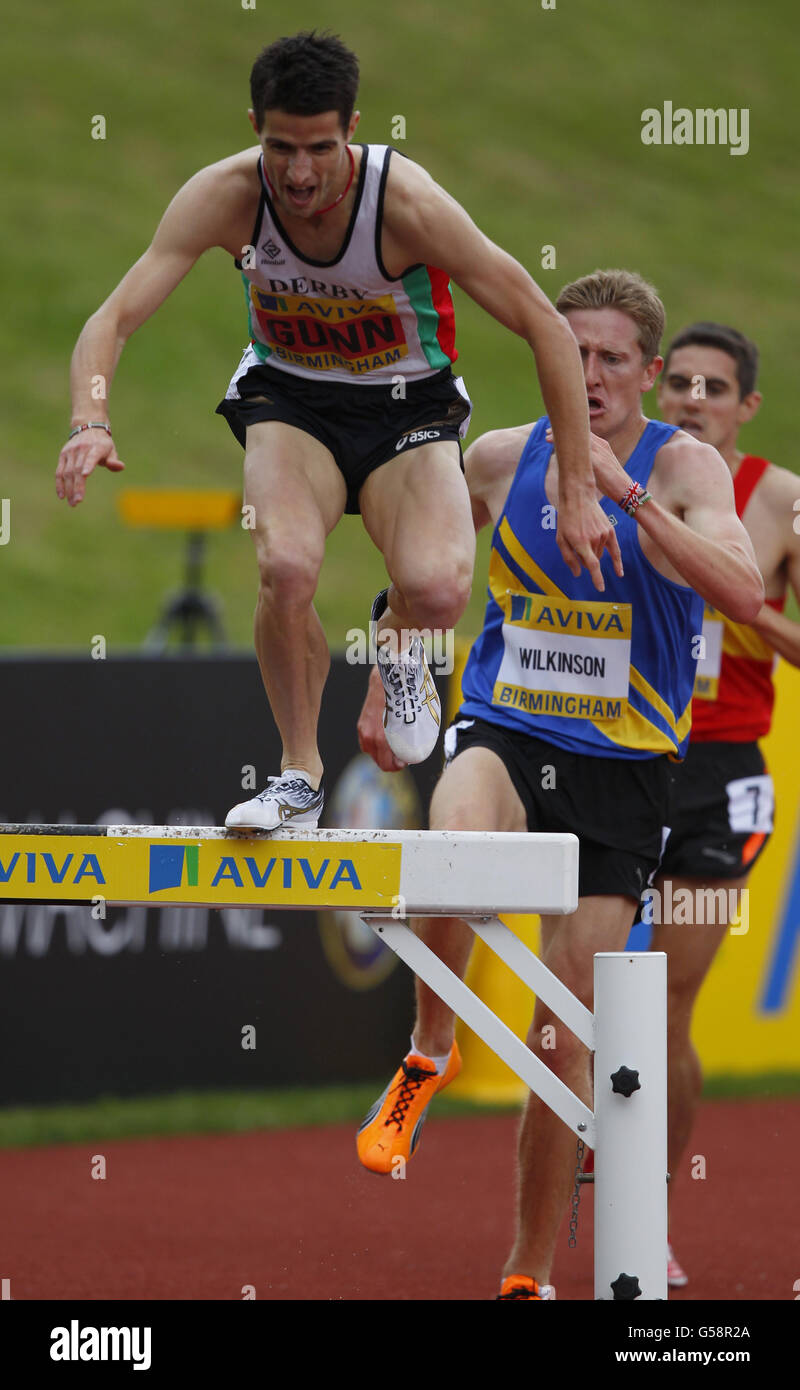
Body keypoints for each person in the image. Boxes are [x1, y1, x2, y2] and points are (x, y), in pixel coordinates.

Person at [54, 29, 619, 831]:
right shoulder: (226, 196)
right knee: (284, 564)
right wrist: (90, 418)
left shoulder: (408, 204)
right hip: (292, 399)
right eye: (280, 147)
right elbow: (112, 317)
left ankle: (397, 635)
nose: (300, 174)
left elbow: (543, 324)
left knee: (438, 588)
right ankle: (298, 774)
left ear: (353, 129)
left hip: (408, 404)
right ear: (256, 125)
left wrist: (577, 483)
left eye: (320, 148)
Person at [356, 269, 763, 1300]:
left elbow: (742, 592)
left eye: (608, 360)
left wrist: (628, 501)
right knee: (452, 852)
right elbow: (417, 570)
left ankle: (525, 1274)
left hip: (623, 774)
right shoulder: (500, 458)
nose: (584, 376)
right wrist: (384, 674)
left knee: (558, 1030)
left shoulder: (687, 471)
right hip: (503, 726)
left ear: (646, 372)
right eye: (567, 354)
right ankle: (426, 1050)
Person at [648, 322, 800, 1288]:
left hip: (724, 779)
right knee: (577, 991)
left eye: (716, 388)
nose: (694, 398)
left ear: (746, 405)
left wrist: (737, 597)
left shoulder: (781, 499)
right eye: (682, 383)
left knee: (664, 1000)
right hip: (619, 758)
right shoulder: (632, 474)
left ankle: (645, 1209)